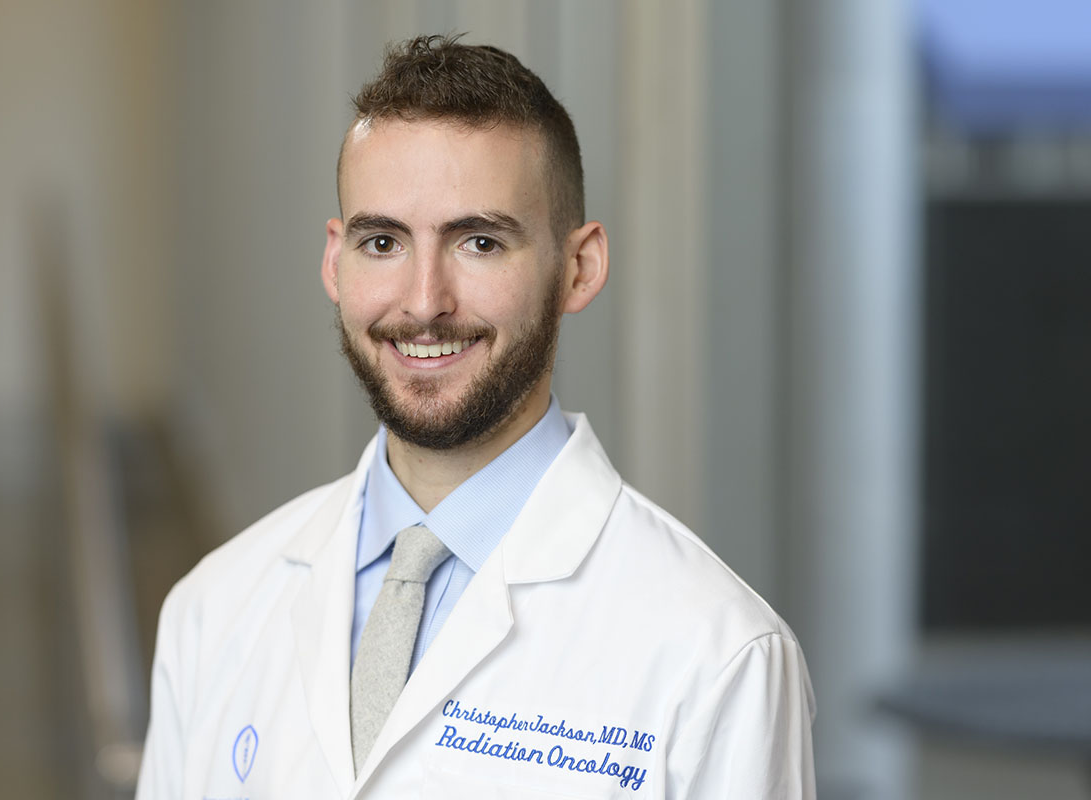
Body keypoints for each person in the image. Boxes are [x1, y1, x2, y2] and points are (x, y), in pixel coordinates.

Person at [136, 34, 815, 799]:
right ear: (334, 261)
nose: (424, 302)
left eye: (480, 242)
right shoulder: (215, 608)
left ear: (580, 267)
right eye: (383, 242)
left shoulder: (718, 656)